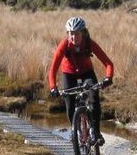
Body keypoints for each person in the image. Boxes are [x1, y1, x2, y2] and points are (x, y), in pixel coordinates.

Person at [47, 16, 114, 146]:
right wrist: (53, 87)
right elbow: (53, 69)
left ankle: (96, 132)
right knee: (70, 103)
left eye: (76, 33)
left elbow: (108, 63)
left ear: (83, 33)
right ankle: (74, 131)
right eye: (71, 34)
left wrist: (108, 78)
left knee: (93, 97)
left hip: (86, 72)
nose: (74, 37)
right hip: (68, 73)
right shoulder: (64, 45)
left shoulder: (89, 43)